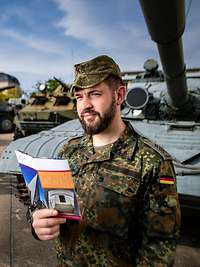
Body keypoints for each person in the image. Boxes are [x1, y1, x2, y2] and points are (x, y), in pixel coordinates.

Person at [32, 55, 181, 267]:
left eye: (94, 94)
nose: (85, 105)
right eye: (79, 97)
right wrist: (37, 222)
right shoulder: (68, 150)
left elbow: (159, 247)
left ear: (119, 95)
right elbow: (45, 205)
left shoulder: (152, 162)